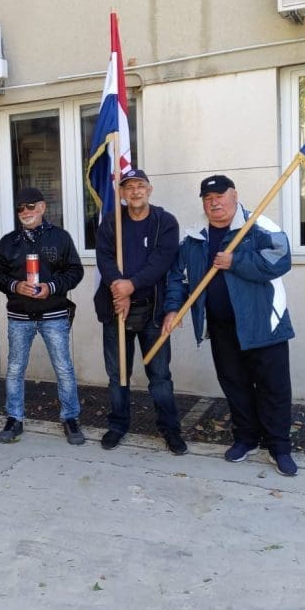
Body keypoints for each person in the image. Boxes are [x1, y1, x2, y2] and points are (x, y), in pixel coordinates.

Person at [162, 175, 298, 476]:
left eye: (220, 196)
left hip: (264, 324)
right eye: (208, 199)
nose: (214, 203)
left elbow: (281, 260)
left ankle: (279, 447)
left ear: (234, 195)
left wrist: (235, 261)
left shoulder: (259, 225)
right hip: (222, 327)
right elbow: (177, 276)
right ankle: (246, 439)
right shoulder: (195, 237)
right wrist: (173, 308)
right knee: (235, 385)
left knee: (273, 388)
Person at [93, 169, 187, 455]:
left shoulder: (165, 222)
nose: (135, 191)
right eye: (129, 187)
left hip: (153, 312)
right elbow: (104, 258)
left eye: (140, 186)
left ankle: (170, 429)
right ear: (121, 193)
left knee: (159, 376)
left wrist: (130, 286)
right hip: (116, 310)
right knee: (117, 374)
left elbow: (161, 262)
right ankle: (118, 425)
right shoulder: (111, 222)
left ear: (150, 189)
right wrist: (118, 291)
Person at [0, 187, 86, 445]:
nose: (25, 211)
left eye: (30, 206)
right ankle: (14, 418)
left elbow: (75, 271)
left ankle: (70, 418)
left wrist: (51, 287)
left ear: (42, 207)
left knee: (63, 368)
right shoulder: (8, 241)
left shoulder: (60, 237)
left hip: (54, 314)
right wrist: (15, 286)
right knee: (15, 368)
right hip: (19, 316)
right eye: (20, 208)